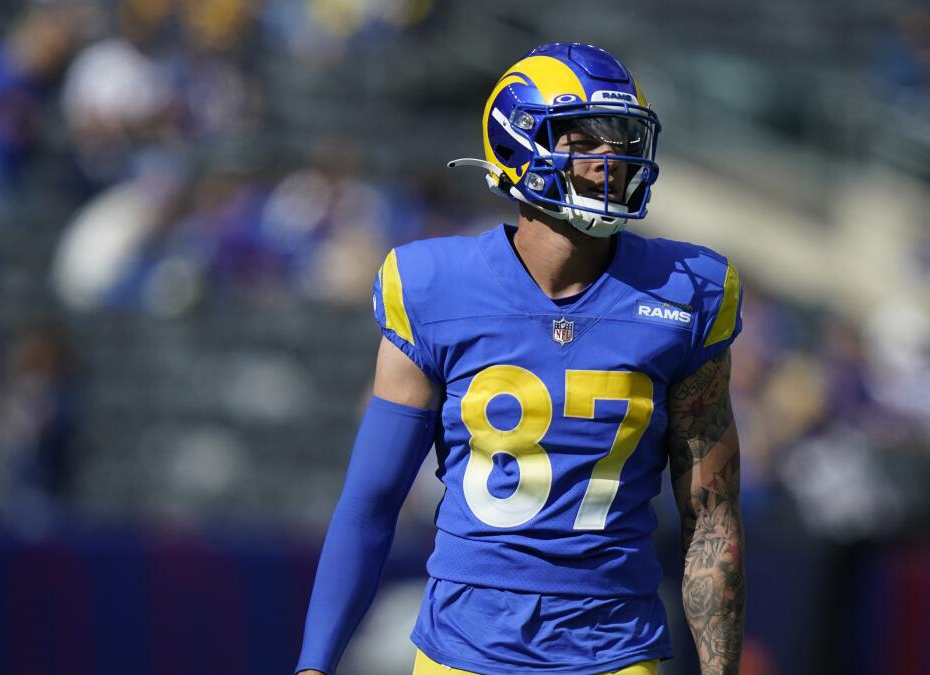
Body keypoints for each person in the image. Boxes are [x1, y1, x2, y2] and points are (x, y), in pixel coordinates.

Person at [295, 42, 745, 675]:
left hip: (615, 650)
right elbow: (371, 503)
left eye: (620, 139)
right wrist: (314, 665)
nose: (608, 161)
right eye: (582, 141)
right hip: (462, 652)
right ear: (516, 146)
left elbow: (711, 514)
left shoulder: (687, 290)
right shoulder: (431, 286)